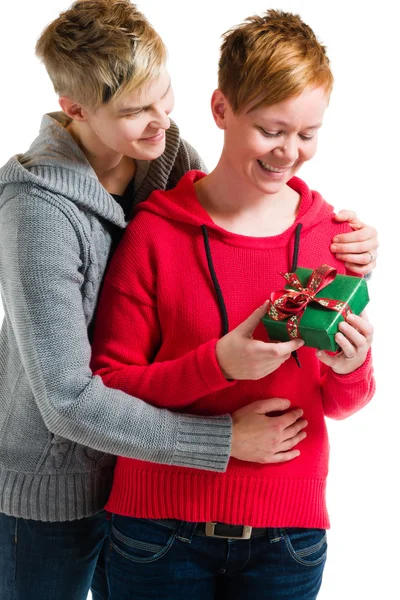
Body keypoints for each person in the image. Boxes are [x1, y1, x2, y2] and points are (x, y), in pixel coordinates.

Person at [0, 2, 376, 599]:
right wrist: (225, 438)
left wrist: (348, 247)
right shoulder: (38, 212)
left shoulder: (165, 157)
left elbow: (236, 218)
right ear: (75, 109)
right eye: (135, 112)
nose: (161, 124)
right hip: (60, 478)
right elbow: (71, 399)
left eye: (165, 99)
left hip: (156, 481)